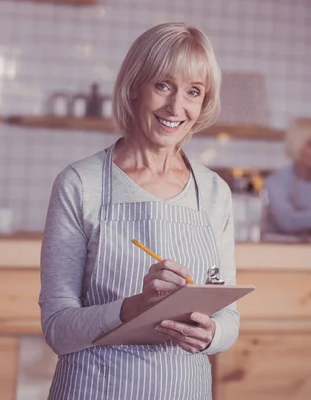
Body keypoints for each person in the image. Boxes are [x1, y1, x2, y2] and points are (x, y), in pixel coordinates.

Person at [39, 22, 239, 399]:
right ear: (134, 87)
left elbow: (228, 316)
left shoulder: (214, 192)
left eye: (193, 92)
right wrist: (133, 308)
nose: (176, 107)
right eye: (163, 85)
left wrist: (212, 334)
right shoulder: (81, 184)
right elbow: (57, 329)